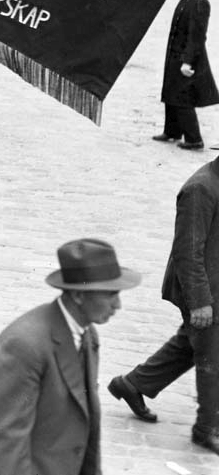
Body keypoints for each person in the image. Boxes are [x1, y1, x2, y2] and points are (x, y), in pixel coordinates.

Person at [0, 239, 141, 475]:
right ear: (78, 295)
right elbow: (6, 440)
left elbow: (86, 423)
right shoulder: (25, 345)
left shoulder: (88, 335)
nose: (117, 305)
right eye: (110, 294)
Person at [108, 156, 219, 454]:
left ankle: (132, 384)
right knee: (213, 356)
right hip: (204, 292)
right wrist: (199, 303)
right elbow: (188, 252)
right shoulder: (201, 188)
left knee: (193, 343)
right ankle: (207, 428)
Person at [154, 0, 218, 150]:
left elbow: (196, 36)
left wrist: (187, 62)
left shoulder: (198, 2)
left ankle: (194, 139)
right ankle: (172, 131)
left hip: (187, 58)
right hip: (177, 55)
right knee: (171, 91)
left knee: (183, 97)